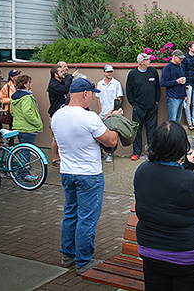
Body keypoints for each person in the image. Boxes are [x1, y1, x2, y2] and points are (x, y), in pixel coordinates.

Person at [133, 120, 194, 291]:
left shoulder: (142, 171)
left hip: (151, 253)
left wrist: (187, 167)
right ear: (182, 147)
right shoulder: (191, 181)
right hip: (190, 257)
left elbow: (168, 188)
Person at [52, 78, 121, 275]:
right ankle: (83, 261)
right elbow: (110, 141)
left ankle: (67, 255)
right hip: (89, 175)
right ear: (85, 93)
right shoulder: (88, 117)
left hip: (67, 172)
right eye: (92, 93)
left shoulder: (57, 115)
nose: (92, 97)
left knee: (70, 214)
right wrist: (114, 122)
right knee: (87, 218)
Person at [127, 53, 161, 161]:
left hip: (152, 107)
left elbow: (157, 88)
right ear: (141, 62)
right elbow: (129, 90)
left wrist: (156, 101)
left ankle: (152, 152)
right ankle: (137, 152)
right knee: (137, 131)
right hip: (138, 108)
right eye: (147, 60)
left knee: (152, 131)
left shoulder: (153, 72)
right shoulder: (132, 74)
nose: (149, 61)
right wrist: (133, 104)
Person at [48, 64, 75, 166]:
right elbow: (64, 89)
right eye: (61, 71)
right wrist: (71, 77)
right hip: (55, 114)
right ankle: (55, 159)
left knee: (64, 137)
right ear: (55, 74)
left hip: (63, 114)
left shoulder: (62, 82)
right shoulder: (53, 85)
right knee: (56, 138)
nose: (63, 73)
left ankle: (61, 157)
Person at [10, 74, 43, 146]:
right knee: (26, 152)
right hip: (28, 128)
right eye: (29, 82)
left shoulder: (13, 96)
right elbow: (27, 112)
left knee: (22, 150)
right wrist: (37, 122)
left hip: (18, 126)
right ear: (25, 85)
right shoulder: (26, 97)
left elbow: (12, 112)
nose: (31, 84)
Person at [160, 49, 187, 123]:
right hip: (173, 97)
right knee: (172, 121)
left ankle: (175, 134)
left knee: (178, 121)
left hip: (181, 96)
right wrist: (176, 82)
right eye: (179, 58)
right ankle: (171, 134)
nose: (181, 60)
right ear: (174, 56)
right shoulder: (167, 68)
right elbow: (163, 83)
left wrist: (184, 94)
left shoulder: (180, 67)